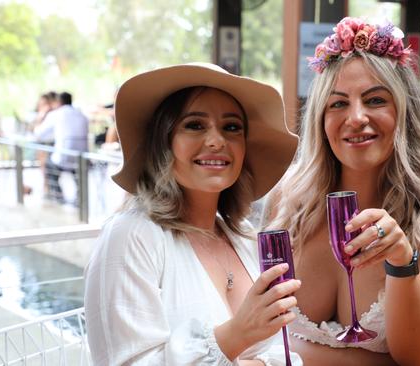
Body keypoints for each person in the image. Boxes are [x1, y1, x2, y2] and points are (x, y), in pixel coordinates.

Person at [264, 18, 420, 365]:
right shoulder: (287, 203)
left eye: (375, 100)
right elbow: (263, 334)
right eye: (338, 103)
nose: (357, 117)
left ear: (404, 112)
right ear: (321, 118)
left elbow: (419, 358)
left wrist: (402, 260)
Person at [84, 63, 303, 365]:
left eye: (231, 127)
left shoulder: (244, 239)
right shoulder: (132, 236)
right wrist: (238, 334)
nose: (216, 141)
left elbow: (282, 352)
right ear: (164, 141)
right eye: (195, 125)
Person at [34, 92, 89, 203]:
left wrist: (40, 117)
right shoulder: (82, 114)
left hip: (63, 157)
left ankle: (57, 195)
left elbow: (38, 133)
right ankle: (80, 196)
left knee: (48, 164)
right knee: (75, 168)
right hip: (82, 158)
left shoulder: (56, 114)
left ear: (59, 102)